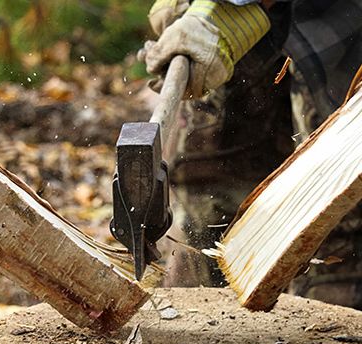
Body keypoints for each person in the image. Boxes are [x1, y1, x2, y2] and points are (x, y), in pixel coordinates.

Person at [139, 0, 362, 308]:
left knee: (335, 209)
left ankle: (333, 332)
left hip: (342, 33)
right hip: (240, 17)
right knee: (206, 197)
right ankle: (195, 320)